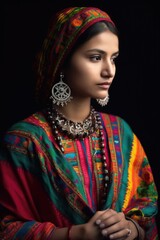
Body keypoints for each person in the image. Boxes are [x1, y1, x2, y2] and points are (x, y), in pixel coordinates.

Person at [0, 6, 158, 240]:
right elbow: (6, 229)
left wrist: (130, 228)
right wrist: (77, 234)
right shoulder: (23, 141)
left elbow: (147, 207)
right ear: (62, 61)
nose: (109, 71)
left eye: (113, 59)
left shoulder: (121, 133)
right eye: (96, 57)